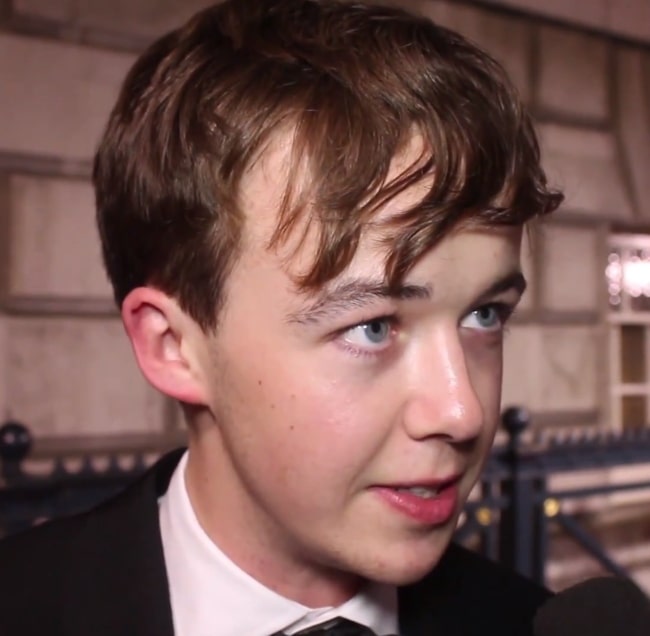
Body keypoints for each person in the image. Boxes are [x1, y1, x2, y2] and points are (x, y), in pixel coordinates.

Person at [0, 1, 563, 634]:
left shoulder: (528, 622)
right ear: (173, 347)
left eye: (484, 315)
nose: (463, 413)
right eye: (372, 327)